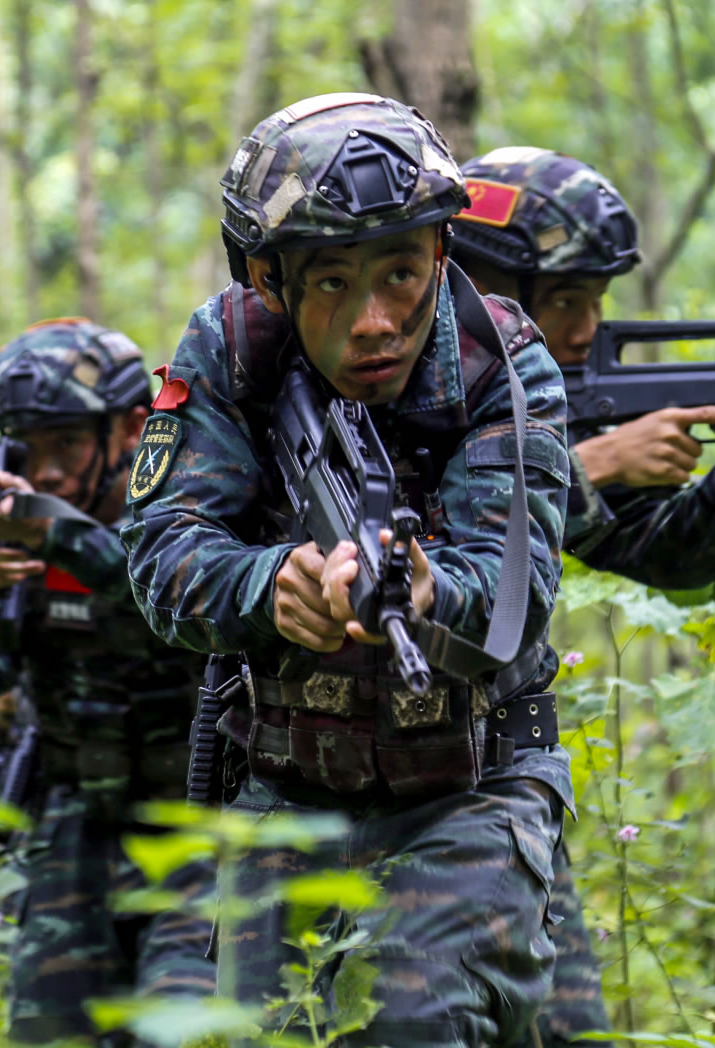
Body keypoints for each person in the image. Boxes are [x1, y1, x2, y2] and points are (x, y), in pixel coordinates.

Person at [122, 93, 575, 1047]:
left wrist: (420, 589)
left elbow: (510, 598)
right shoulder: (231, 350)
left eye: (401, 274)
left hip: (474, 784)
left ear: (441, 256)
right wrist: (271, 585)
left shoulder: (503, 361)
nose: (375, 321)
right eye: (331, 282)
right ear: (269, 278)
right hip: (290, 787)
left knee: (410, 1021)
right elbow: (162, 552)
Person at [451, 145, 715, 1046]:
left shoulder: (551, 399)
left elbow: (670, 555)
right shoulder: (362, 397)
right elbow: (407, 549)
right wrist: (585, 466)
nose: (585, 327)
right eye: (564, 300)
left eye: (597, 301)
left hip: (504, 788)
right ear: (483, 287)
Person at [0, 318, 204, 1045]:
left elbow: (186, 611)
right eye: (27, 448)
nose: (43, 473)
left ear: (132, 430)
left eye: (66, 444)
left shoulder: (188, 508)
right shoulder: (26, 539)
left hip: (204, 832)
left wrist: (53, 533)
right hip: (77, 829)